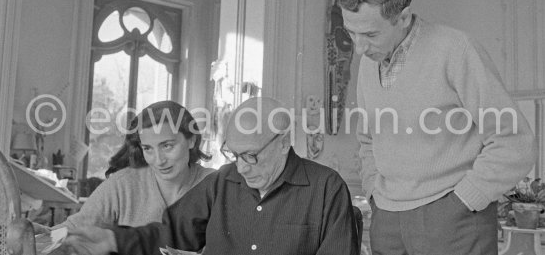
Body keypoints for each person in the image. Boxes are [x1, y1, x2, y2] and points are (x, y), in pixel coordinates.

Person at [338, 0, 536, 255]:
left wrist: (463, 201)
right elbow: (368, 140)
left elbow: (515, 142)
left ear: (403, 17)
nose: (359, 49)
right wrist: (374, 193)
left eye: (370, 34)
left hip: (453, 218)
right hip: (387, 218)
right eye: (351, 33)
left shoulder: (456, 50)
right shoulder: (370, 63)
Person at [61, 96, 359, 255]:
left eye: (251, 156)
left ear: (283, 143)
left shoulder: (325, 188)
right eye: (234, 154)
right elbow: (172, 232)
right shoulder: (223, 181)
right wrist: (114, 240)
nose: (241, 168)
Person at [58, 100, 214, 228]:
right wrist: (41, 236)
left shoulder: (216, 186)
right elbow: (73, 229)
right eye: (148, 149)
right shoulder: (122, 185)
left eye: (167, 146)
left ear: (191, 140)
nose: (159, 160)